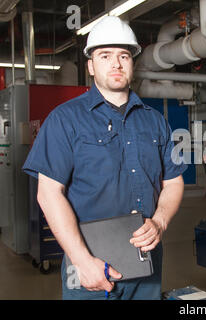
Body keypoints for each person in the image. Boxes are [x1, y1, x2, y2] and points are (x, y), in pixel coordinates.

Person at [22, 16, 187, 300]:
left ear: (133, 62)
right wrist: (82, 261)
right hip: (89, 261)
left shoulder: (156, 122)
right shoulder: (65, 120)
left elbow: (173, 182)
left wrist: (159, 222)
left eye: (124, 55)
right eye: (105, 55)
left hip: (145, 260)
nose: (116, 64)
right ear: (90, 65)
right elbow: (48, 194)